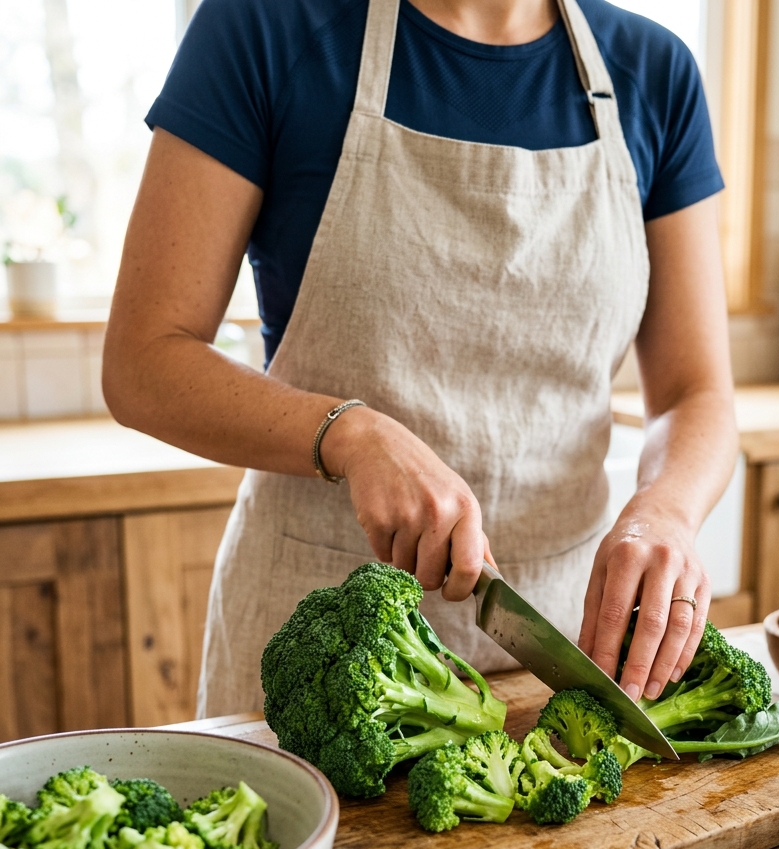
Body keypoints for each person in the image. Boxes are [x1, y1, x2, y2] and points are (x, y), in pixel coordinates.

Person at [102, 0, 738, 718]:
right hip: (323, 651)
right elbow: (143, 361)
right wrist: (351, 432)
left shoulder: (655, 72)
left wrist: (667, 512)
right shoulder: (265, 26)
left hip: (561, 642)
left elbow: (696, 392)